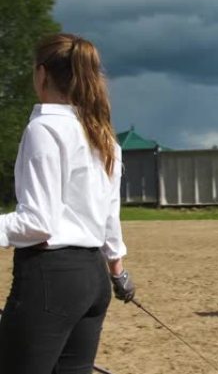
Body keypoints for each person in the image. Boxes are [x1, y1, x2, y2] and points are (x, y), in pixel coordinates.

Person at [0, 33, 136, 374]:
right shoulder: (101, 134)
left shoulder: (44, 129)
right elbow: (109, 217)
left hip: (51, 280)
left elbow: (38, 222)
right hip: (93, 282)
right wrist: (118, 273)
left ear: (42, 74)